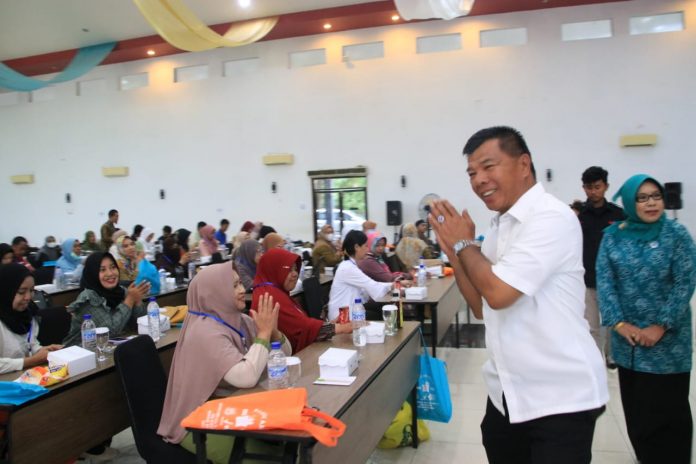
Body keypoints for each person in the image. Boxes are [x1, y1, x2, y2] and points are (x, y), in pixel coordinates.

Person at [430, 126, 607, 464]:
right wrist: (455, 252)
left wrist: (465, 244)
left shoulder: (550, 217)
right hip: (509, 392)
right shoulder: (503, 225)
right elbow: (482, 306)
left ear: (523, 164)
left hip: (560, 395)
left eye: (488, 166)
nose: (479, 179)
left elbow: (498, 293)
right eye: (472, 172)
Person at [597, 174, 696, 464]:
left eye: (656, 196)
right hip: (628, 344)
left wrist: (661, 325)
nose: (651, 203)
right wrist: (619, 324)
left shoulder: (677, 235)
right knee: (638, 414)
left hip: (668, 344)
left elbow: (685, 282)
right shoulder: (612, 237)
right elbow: (605, 282)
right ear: (629, 202)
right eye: (642, 198)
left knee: (669, 415)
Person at [157, 263, 290, 463]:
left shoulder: (237, 319)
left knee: (285, 447)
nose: (242, 290)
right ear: (214, 292)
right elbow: (246, 377)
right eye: (234, 286)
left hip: (228, 408)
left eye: (240, 284)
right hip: (196, 422)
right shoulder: (204, 332)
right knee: (269, 459)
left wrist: (273, 333)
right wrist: (263, 333)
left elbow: (285, 354)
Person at [253, 248, 352, 354]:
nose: (295, 274)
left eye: (295, 269)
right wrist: (340, 328)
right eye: (289, 269)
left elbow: (300, 325)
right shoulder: (269, 297)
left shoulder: (275, 291)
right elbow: (303, 327)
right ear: (275, 269)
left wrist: (330, 324)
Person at [578, 166, 625, 369]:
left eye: (597, 187)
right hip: (586, 278)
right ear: (584, 188)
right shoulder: (579, 216)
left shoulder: (618, 214)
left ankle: (612, 356)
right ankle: (595, 358)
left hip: (613, 280)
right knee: (591, 325)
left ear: (606, 186)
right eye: (589, 187)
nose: (593, 191)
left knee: (613, 322)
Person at [63, 252, 149, 347]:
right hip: (79, 355)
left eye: (113, 267)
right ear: (93, 273)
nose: (110, 273)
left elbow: (139, 324)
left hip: (110, 350)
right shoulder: (87, 298)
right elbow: (109, 331)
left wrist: (137, 300)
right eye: (102, 270)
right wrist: (130, 300)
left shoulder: (121, 291)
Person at [0, 264, 62, 374]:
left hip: (25, 377)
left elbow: (29, 344)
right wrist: (29, 361)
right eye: (21, 292)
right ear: (5, 291)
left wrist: (42, 350)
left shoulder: (27, 315)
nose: (28, 297)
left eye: (32, 290)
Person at [327, 230, 393, 321]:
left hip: (349, 311)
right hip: (342, 317)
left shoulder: (351, 265)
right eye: (365, 246)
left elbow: (368, 290)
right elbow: (373, 286)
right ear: (357, 247)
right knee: (380, 315)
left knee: (379, 309)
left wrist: (391, 285)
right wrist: (392, 285)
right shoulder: (347, 268)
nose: (367, 249)